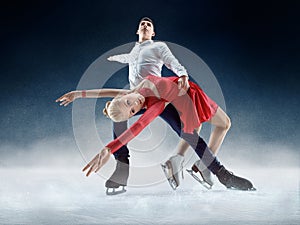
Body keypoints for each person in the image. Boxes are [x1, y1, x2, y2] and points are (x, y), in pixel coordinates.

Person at [56, 75, 255, 191]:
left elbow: (108, 92)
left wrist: (79, 94)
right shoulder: (155, 105)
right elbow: (139, 126)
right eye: (132, 110)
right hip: (186, 102)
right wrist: (110, 148)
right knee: (192, 136)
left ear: (126, 94)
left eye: (129, 102)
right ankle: (222, 175)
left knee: (224, 123)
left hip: (193, 92)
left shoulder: (139, 87)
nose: (135, 105)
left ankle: (199, 165)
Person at [102, 17, 230, 193]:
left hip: (156, 98)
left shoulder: (158, 46)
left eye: (149, 25)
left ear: (153, 33)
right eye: (142, 24)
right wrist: (115, 58)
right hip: (136, 100)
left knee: (188, 132)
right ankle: (121, 169)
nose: (145, 25)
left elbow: (172, 61)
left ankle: (212, 168)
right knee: (117, 118)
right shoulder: (134, 51)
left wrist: (183, 75)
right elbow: (128, 58)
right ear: (137, 32)